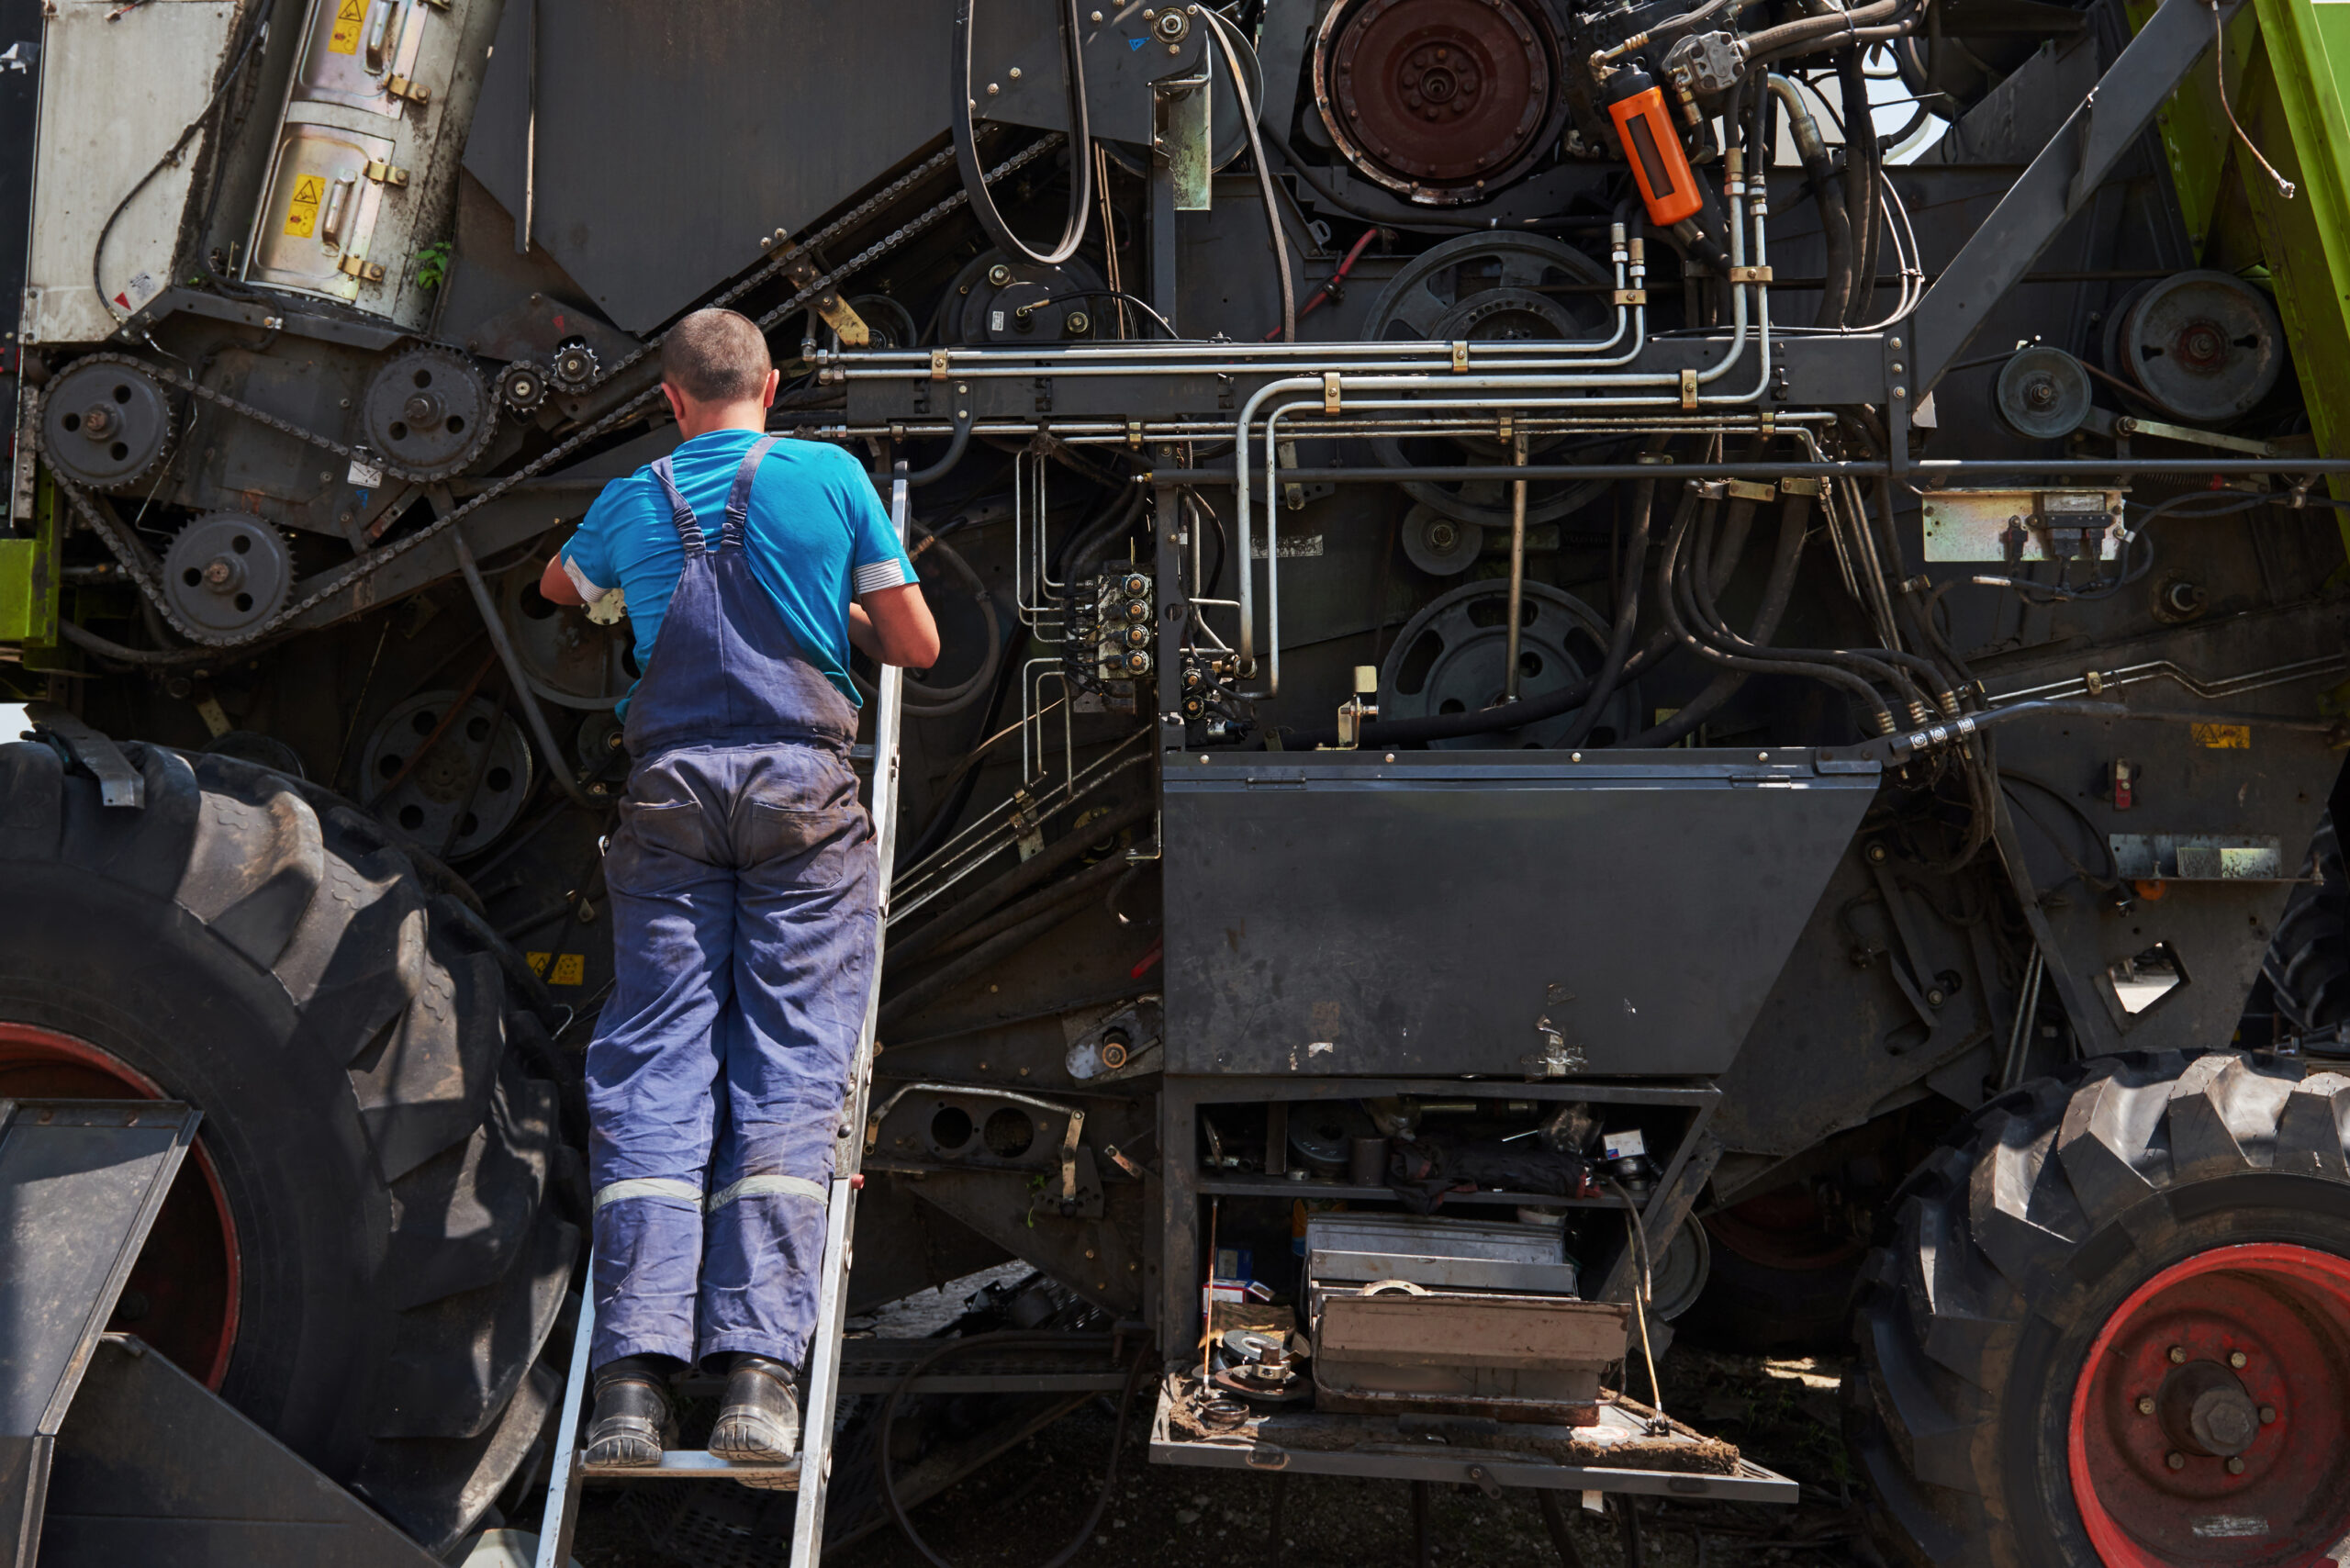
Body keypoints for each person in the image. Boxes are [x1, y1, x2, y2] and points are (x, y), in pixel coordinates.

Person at [539, 308, 938, 1465]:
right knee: (789, 1063)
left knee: (655, 1069)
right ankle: (759, 1378)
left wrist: (620, 582)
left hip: (669, 802)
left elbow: (559, 585)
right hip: (800, 803)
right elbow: (916, 646)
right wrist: (831, 609)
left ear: (669, 399)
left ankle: (629, 1387)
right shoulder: (829, 476)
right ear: (772, 387)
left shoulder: (634, 495)